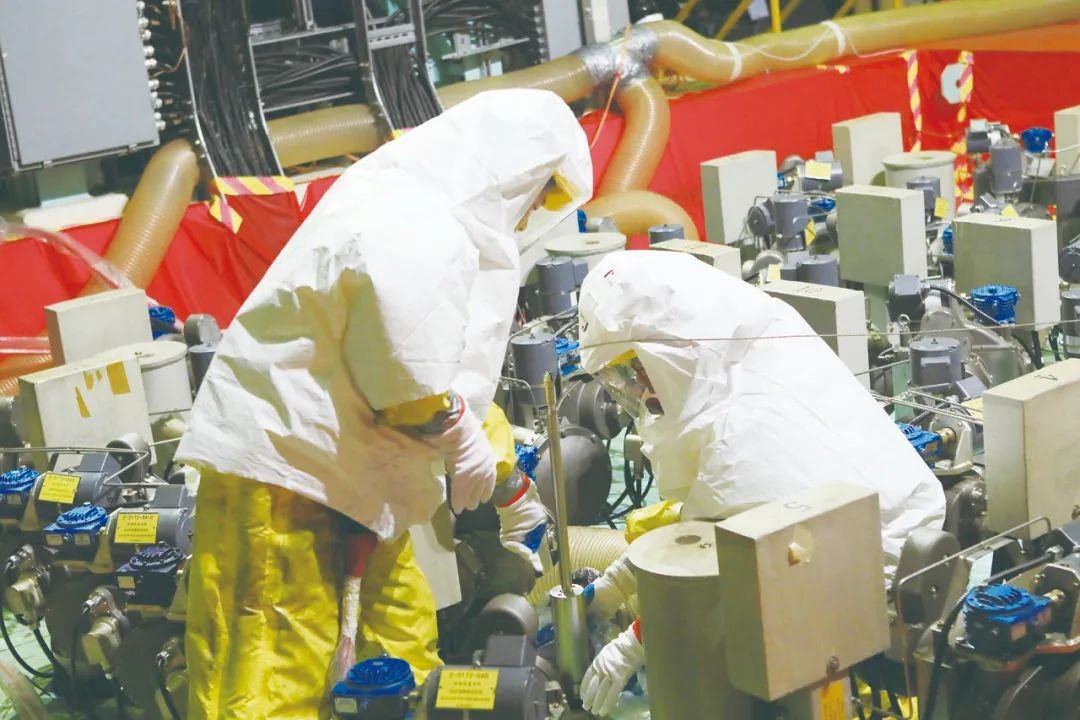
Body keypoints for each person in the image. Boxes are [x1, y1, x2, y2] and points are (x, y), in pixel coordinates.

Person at [173, 88, 592, 720]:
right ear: (512, 167)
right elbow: (407, 375)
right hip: (289, 476)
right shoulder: (416, 215)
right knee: (275, 671)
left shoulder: (431, 211)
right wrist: (462, 439)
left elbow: (447, 381)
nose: (535, 210)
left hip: (357, 483)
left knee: (397, 648)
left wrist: (508, 486)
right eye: (541, 191)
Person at [575, 250, 947, 716]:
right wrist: (615, 584)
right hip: (850, 543)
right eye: (617, 378)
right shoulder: (740, 353)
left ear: (668, 350)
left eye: (631, 371)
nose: (634, 390)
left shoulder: (740, 427)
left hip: (861, 582)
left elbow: (732, 562)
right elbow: (710, 512)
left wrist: (635, 642)